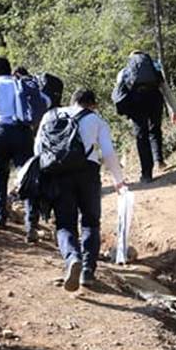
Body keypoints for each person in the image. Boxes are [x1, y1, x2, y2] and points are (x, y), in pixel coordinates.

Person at [35, 88, 126, 291]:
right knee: (90, 221)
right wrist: (118, 180)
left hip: (58, 174)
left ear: (72, 101)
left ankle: (72, 258)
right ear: (92, 104)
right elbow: (108, 153)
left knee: (65, 224)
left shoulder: (50, 116)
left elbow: (38, 149)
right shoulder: (96, 119)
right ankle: (87, 271)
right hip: (88, 173)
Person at [0, 57, 50, 239]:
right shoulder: (20, 84)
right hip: (23, 133)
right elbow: (45, 101)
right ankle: (31, 225)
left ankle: (0, 217)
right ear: (9, 70)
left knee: (0, 174)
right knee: (28, 177)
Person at [112, 51, 176, 183]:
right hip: (155, 100)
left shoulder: (124, 71)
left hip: (137, 102)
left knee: (141, 136)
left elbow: (118, 92)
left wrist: (124, 110)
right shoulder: (155, 67)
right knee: (155, 129)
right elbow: (166, 89)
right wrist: (174, 111)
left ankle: (146, 174)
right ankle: (160, 161)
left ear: (131, 59)